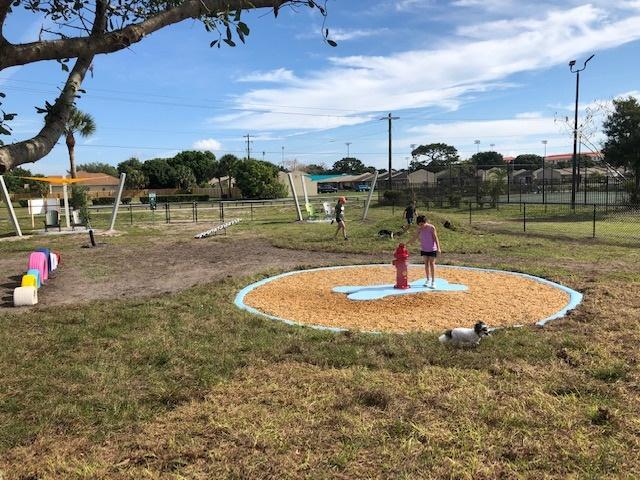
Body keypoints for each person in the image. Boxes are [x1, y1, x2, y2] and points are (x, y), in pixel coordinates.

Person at [410, 214, 441, 288]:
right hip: (424, 249)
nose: (421, 226)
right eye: (419, 224)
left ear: (425, 222)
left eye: (422, 224)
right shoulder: (419, 229)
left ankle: (433, 282)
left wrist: (439, 248)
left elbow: (435, 238)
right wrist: (406, 244)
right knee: (426, 264)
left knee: (432, 264)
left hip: (432, 249)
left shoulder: (431, 227)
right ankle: (428, 280)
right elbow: (414, 237)